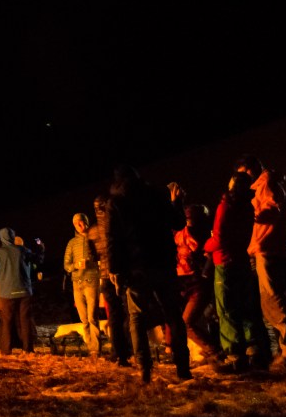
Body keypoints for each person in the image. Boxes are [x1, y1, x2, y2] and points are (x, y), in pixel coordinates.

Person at [102, 164, 192, 383]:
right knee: (173, 314)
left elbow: (112, 240)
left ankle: (144, 369)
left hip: (136, 268)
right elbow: (179, 222)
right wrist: (176, 202)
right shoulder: (157, 196)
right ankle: (183, 368)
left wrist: (114, 270)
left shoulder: (116, 203)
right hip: (163, 263)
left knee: (137, 318)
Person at [238, 154, 286, 369]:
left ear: (254, 167)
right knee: (270, 300)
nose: (243, 179)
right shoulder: (262, 185)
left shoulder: (266, 184)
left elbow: (271, 210)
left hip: (268, 248)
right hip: (267, 248)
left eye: (244, 173)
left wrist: (249, 213)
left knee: (274, 299)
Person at [204, 172, 271, 373]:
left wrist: (206, 246)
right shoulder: (248, 206)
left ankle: (235, 356)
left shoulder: (225, 206)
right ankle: (254, 351)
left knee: (227, 310)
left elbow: (219, 238)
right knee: (246, 307)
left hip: (224, 262)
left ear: (232, 184)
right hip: (242, 260)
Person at [88, 193, 131, 366]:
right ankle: (130, 348)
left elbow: (92, 256)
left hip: (105, 276)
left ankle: (118, 352)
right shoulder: (119, 226)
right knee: (129, 313)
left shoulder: (92, 231)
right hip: (122, 274)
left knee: (114, 315)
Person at [175, 203, 221, 360]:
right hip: (185, 281)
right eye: (186, 217)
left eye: (190, 217)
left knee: (187, 322)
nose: (188, 221)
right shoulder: (182, 232)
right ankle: (211, 350)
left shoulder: (203, 236)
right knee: (203, 318)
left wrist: (205, 274)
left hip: (197, 283)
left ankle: (214, 351)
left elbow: (209, 256)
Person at [0, 227, 38, 355]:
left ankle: (6, 349)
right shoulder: (23, 250)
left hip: (7, 291)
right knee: (25, 320)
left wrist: (2, 274)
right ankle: (28, 348)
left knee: (6, 321)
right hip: (25, 290)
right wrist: (41, 248)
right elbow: (37, 260)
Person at [64, 213, 102, 356]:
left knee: (92, 317)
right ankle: (89, 344)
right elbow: (66, 264)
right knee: (83, 318)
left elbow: (102, 257)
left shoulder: (94, 238)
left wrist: (92, 263)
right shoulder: (72, 243)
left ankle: (96, 349)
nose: (79, 226)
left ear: (86, 222)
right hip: (77, 283)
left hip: (91, 281)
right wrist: (75, 265)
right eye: (76, 224)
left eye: (81, 222)